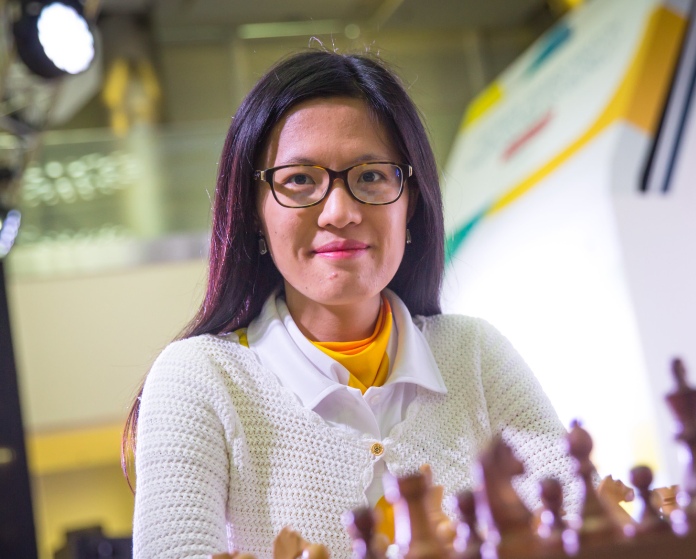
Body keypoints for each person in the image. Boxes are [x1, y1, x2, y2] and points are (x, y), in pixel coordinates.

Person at [126, 49, 578, 559]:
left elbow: (579, 522)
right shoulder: (199, 378)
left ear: (412, 204)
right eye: (299, 180)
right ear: (255, 213)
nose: (339, 212)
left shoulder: (475, 353)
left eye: (370, 176)